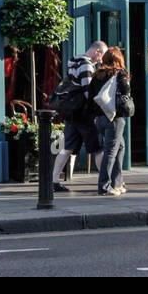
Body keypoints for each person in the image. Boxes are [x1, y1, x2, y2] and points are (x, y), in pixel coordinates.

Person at [51, 40, 106, 193]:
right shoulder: (86, 65)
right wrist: (96, 110)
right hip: (84, 113)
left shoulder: (74, 62)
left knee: (67, 147)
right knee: (99, 148)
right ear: (97, 51)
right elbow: (88, 90)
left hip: (72, 113)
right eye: (101, 56)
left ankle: (53, 181)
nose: (101, 60)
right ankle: (105, 182)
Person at [89, 47, 132, 196]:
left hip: (100, 119)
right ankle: (104, 186)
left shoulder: (97, 75)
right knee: (111, 152)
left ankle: (117, 183)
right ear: (119, 59)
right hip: (114, 119)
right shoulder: (119, 74)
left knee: (120, 147)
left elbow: (91, 98)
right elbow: (126, 92)